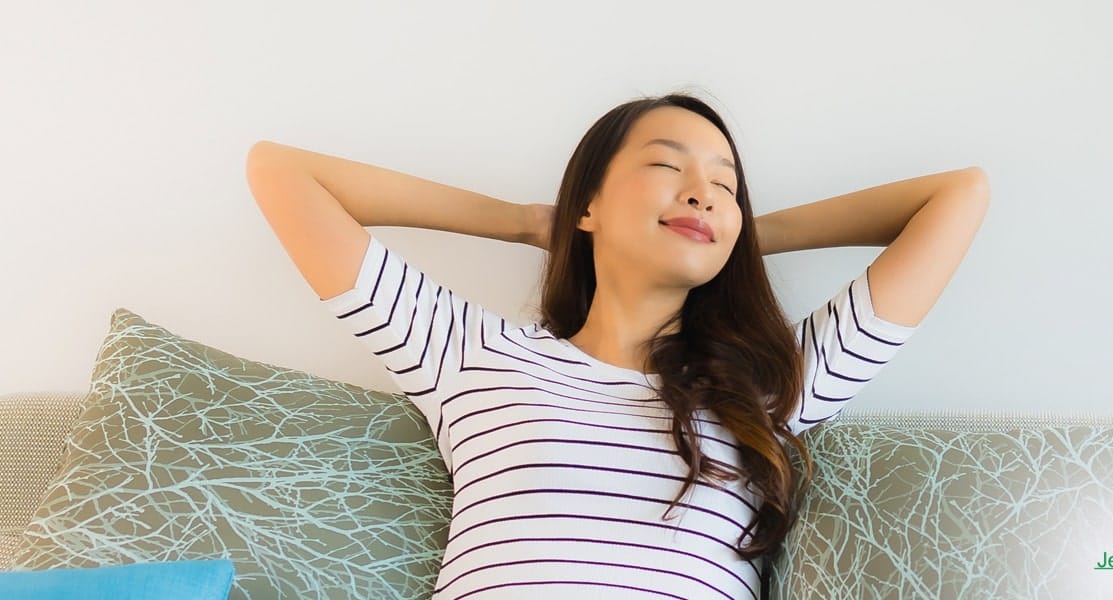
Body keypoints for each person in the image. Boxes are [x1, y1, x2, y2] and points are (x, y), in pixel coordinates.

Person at [245, 91, 989, 599]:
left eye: (725, 186)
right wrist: (529, 220)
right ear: (590, 203)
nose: (702, 191)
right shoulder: (472, 355)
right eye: (669, 166)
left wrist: (738, 235)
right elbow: (283, 172)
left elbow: (959, 197)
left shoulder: (772, 387)